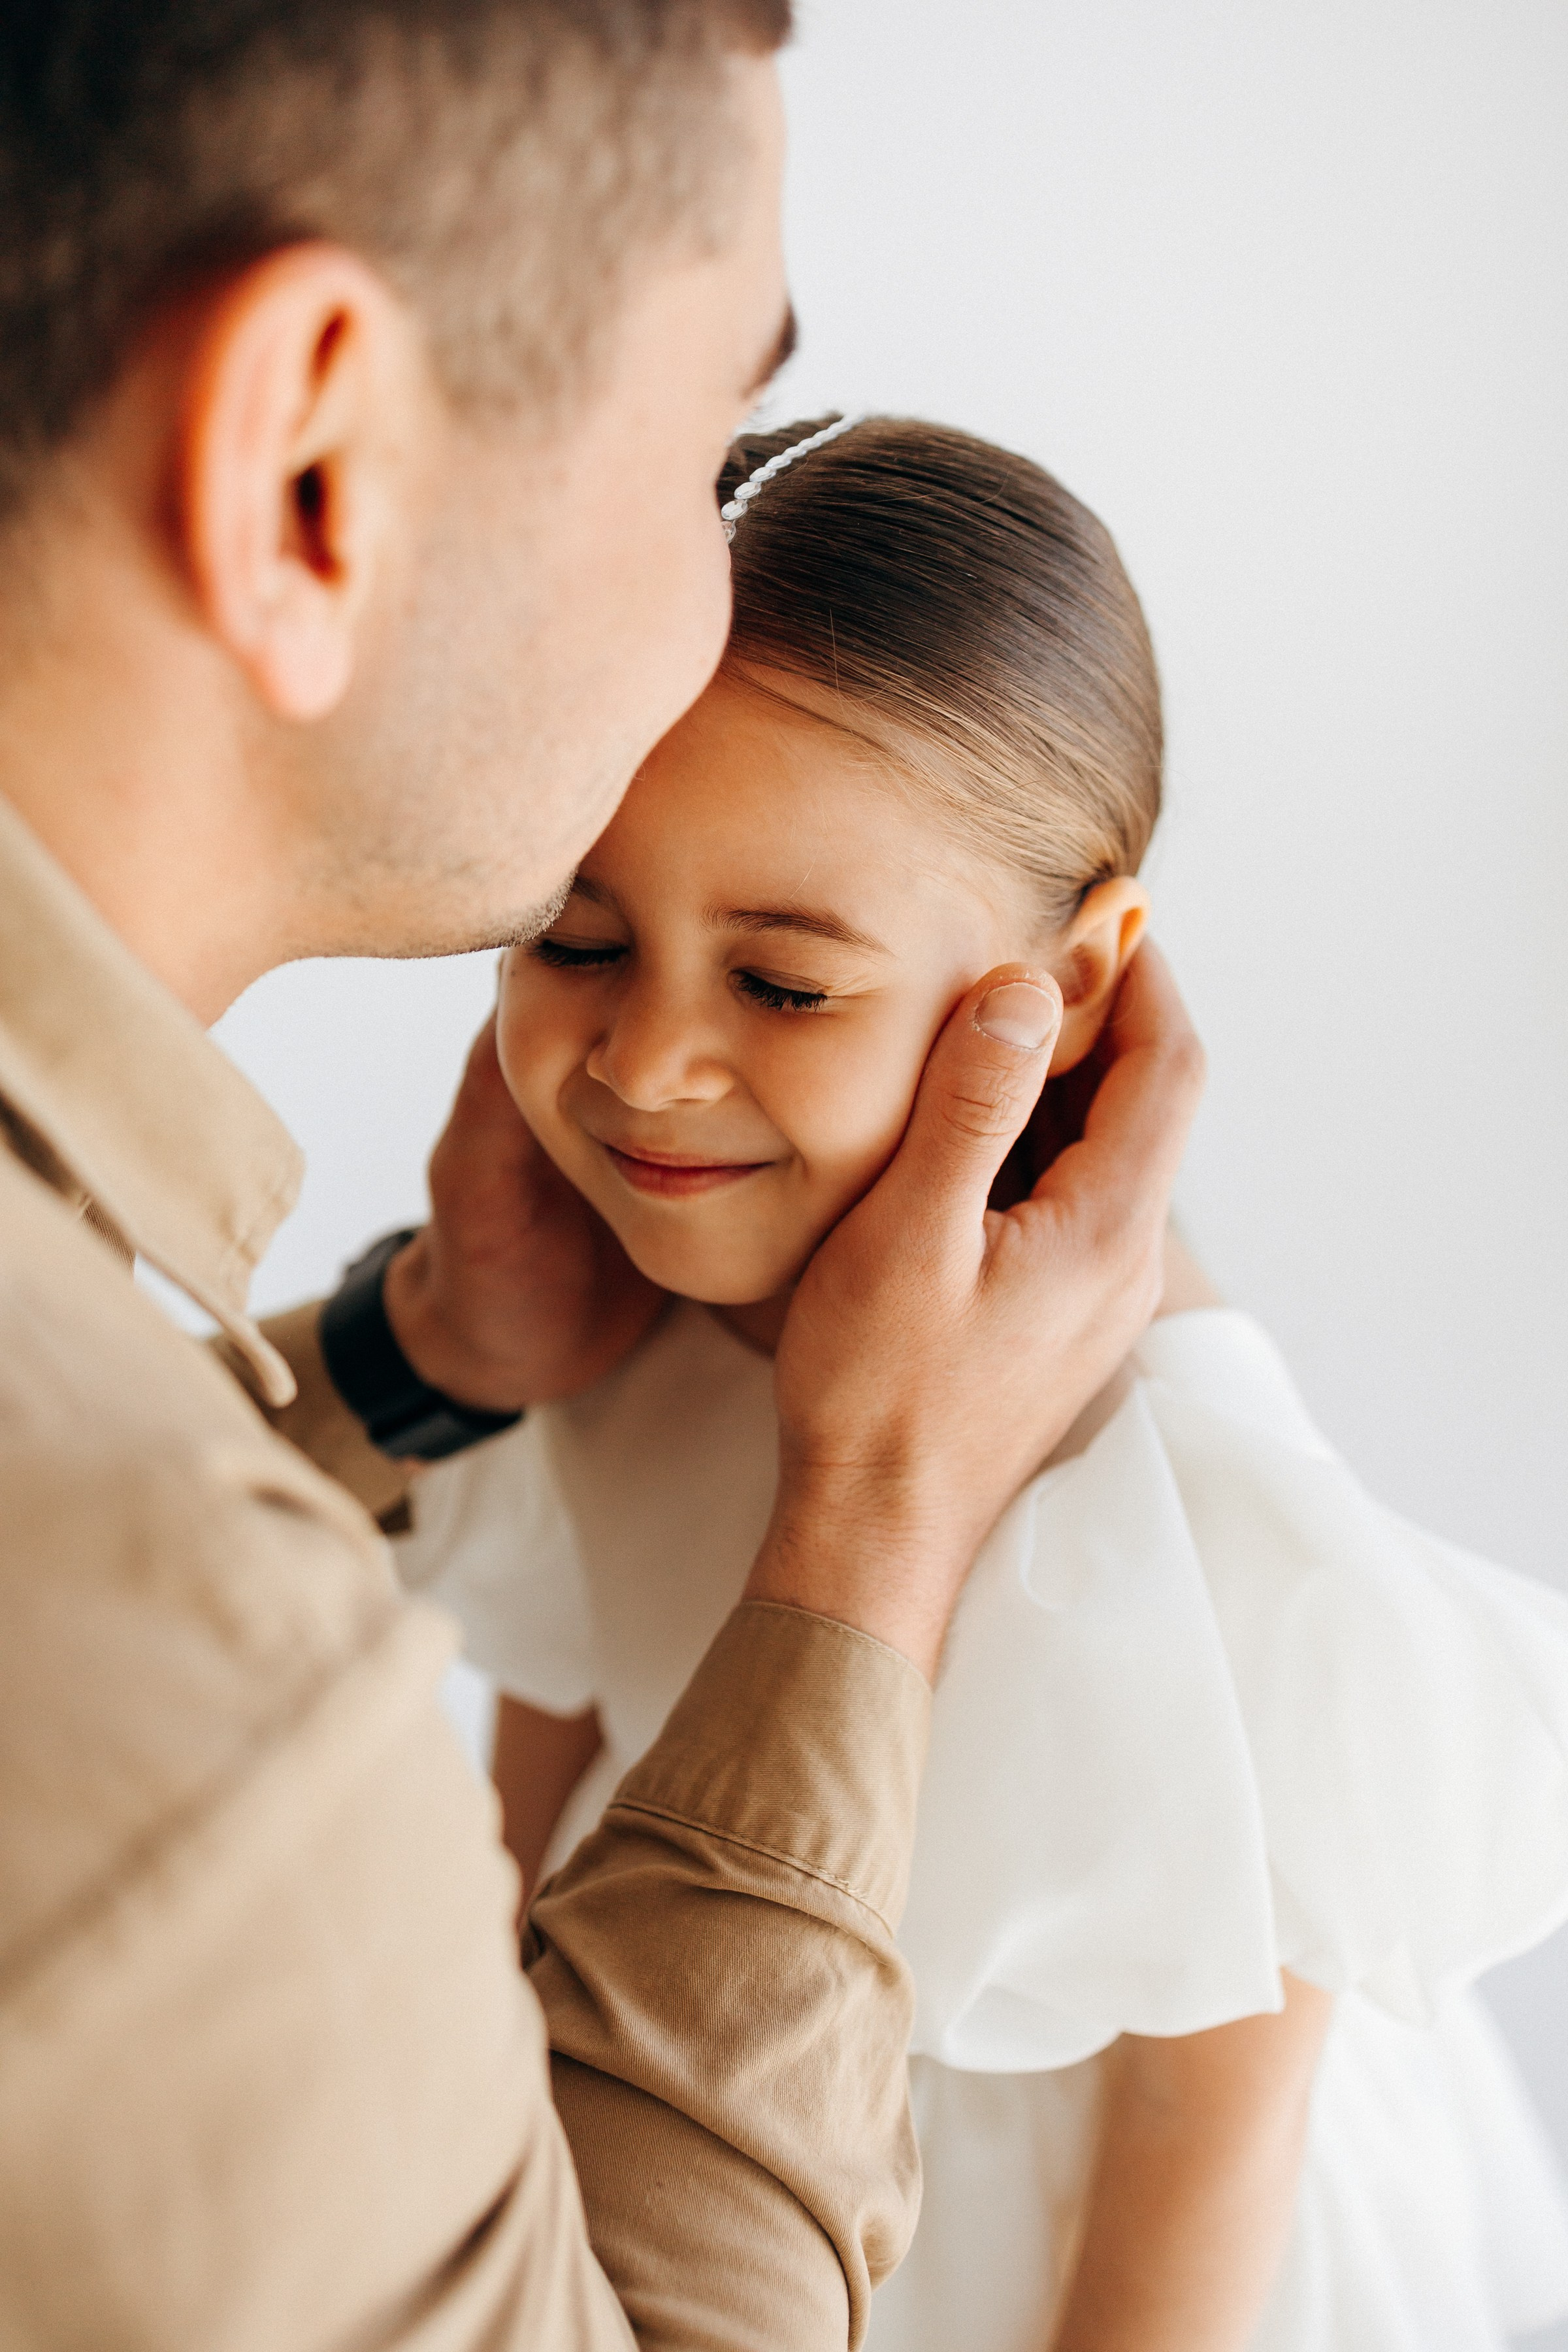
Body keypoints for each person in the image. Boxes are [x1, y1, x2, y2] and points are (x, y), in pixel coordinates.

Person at [0, 12, 1207, 2349]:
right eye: (690, 460)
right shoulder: (182, 1684)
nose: (708, 611)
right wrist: (871, 1530)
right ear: (311, 469)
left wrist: (410, 1359)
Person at [398, 416, 1568, 2352]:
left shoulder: (1168, 1480)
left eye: (783, 985)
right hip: (690, 2146)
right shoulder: (601, 1313)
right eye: (575, 937)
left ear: (1077, 985)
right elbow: (554, 1777)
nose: (647, 1063)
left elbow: (1215, 2121)